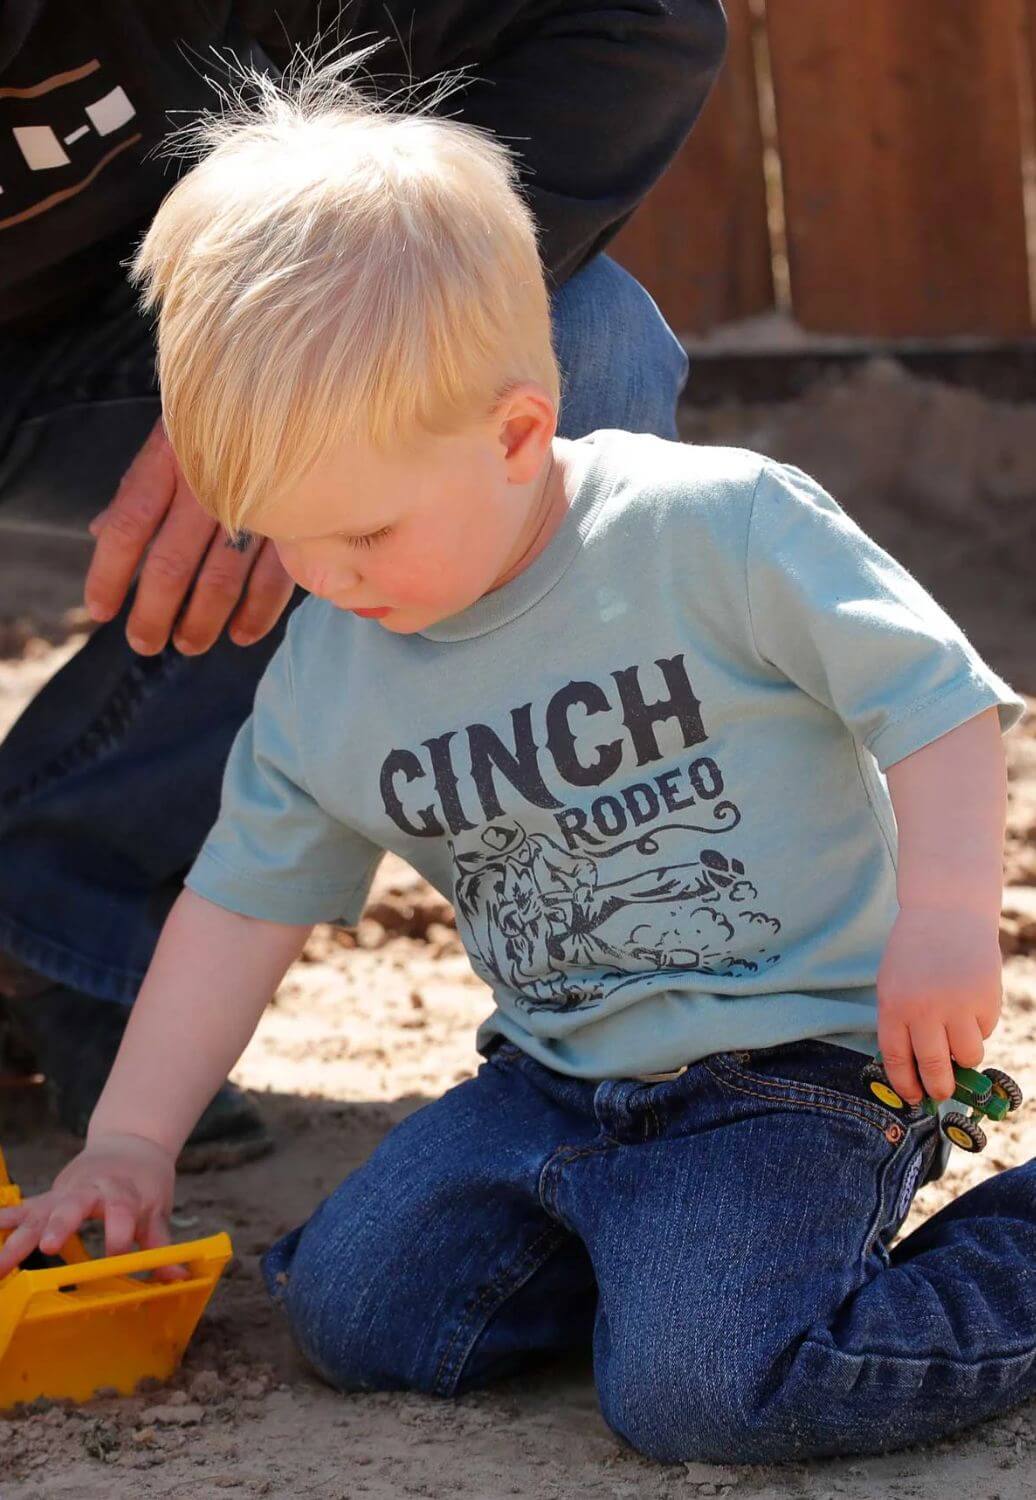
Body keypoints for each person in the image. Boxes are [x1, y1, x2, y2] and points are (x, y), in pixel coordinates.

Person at [1, 60, 1033, 1466]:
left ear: (513, 433)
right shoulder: (331, 664)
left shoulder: (712, 531)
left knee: (707, 1396)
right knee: (360, 1318)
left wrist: (943, 922)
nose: (326, 577)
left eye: (363, 534)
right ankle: (660, 1265)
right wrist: (129, 1143)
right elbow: (239, 904)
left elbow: (935, 704)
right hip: (549, 1079)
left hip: (790, 1068)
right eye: (283, 539)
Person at [0, 1, 726, 1165]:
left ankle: (58, 902)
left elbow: (645, 20)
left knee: (583, 347)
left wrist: (263, 394)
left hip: (178, 315)